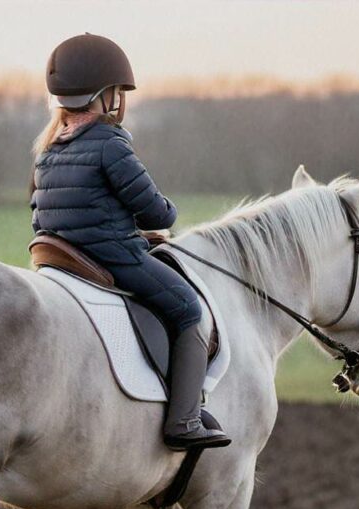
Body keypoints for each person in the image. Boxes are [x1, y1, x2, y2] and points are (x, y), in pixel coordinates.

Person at [30, 33, 230, 451]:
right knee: (188, 308)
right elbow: (158, 214)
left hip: (61, 258)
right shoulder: (109, 144)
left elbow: (50, 213)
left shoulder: (49, 148)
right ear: (106, 96)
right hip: (110, 256)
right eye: (117, 92)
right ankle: (184, 420)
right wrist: (159, 220)